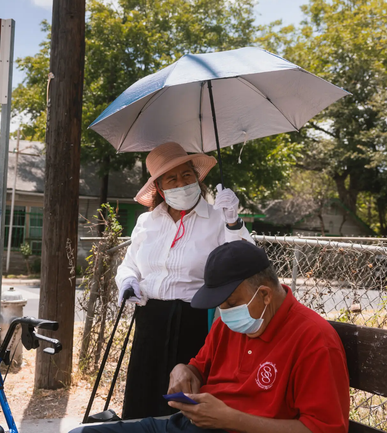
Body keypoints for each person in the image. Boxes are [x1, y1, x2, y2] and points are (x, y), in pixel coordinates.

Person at [71, 241, 350, 433]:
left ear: (264, 294)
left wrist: (232, 419)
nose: (223, 313)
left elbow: (325, 429)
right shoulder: (232, 324)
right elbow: (198, 367)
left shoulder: (314, 341)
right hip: (192, 426)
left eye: (229, 303)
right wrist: (184, 369)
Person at [115, 142, 253, 419]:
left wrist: (234, 224)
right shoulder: (147, 222)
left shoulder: (218, 218)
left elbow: (243, 261)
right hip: (150, 320)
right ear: (161, 189)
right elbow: (129, 264)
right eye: (172, 178)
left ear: (197, 178)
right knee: (144, 395)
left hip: (195, 320)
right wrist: (128, 281)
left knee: (187, 402)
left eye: (187, 175)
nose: (181, 183)